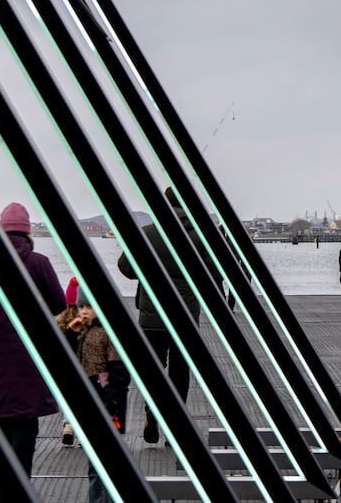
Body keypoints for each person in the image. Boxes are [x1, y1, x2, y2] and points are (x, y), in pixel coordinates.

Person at [0, 202, 66, 478]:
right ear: (27, 233)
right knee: (25, 417)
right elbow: (59, 305)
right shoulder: (39, 264)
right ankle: (22, 479)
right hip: (28, 355)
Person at [116, 189, 226, 445]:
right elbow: (213, 273)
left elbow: (125, 267)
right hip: (185, 316)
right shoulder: (198, 238)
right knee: (179, 372)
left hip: (151, 316)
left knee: (154, 370)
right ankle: (175, 425)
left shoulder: (147, 234)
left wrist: (148, 273)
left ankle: (152, 416)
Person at [56, 293, 128, 503]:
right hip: (92, 407)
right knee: (97, 465)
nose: (84, 311)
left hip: (108, 408)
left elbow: (120, 375)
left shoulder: (106, 335)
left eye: (89, 306)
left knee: (101, 466)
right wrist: (70, 334)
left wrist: (107, 403)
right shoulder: (83, 333)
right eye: (81, 307)